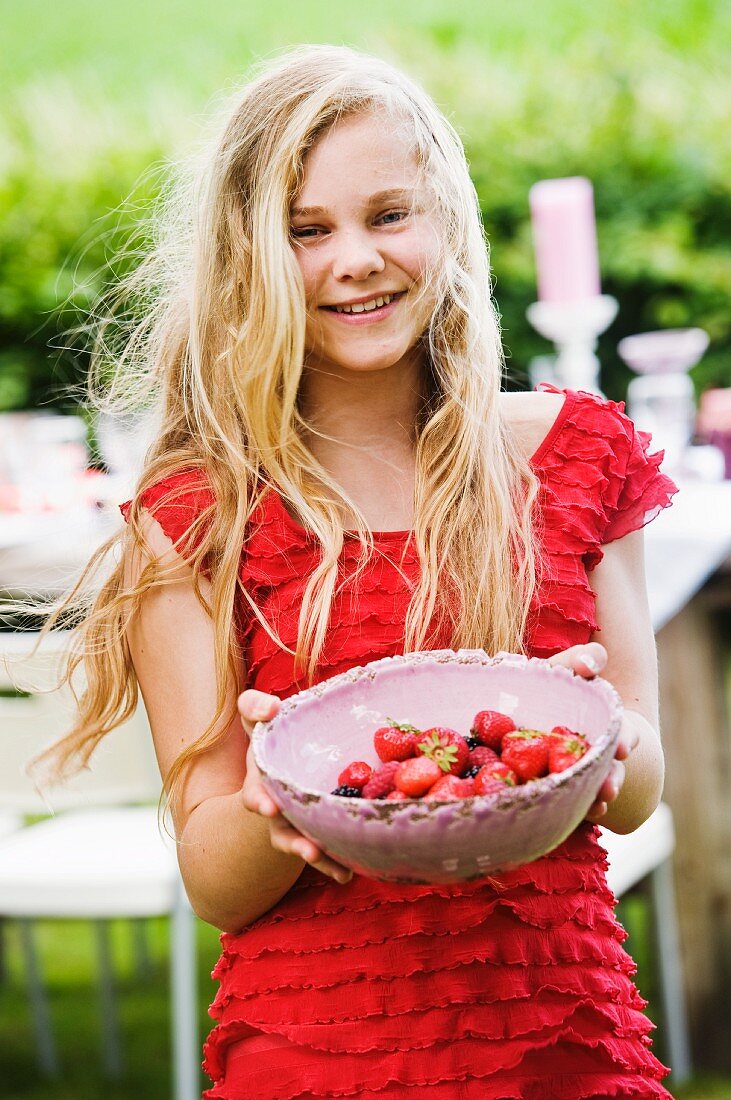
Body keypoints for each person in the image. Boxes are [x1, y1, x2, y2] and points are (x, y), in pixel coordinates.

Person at [38, 44, 677, 1098]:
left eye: (388, 215)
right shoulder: (202, 514)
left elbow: (637, 794)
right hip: (321, 1045)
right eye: (305, 230)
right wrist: (268, 801)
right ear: (246, 259)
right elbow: (215, 879)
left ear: (447, 222)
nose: (356, 258)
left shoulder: (575, 454)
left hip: (559, 1027)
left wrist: (603, 730)